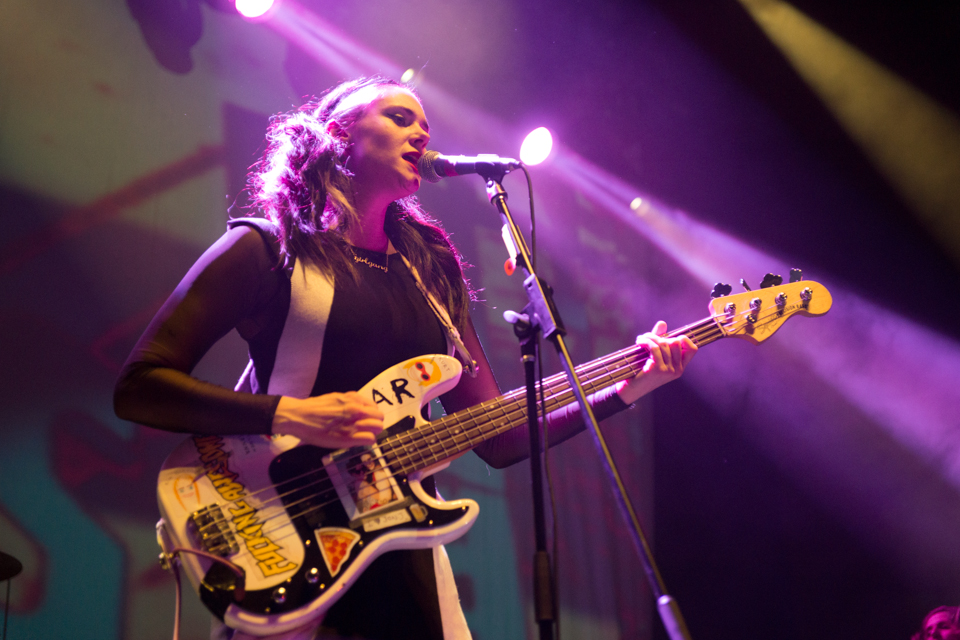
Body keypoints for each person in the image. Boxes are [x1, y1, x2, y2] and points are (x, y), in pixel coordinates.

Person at [113, 76, 697, 640]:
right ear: (337, 136)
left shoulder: (431, 274)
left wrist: (630, 387)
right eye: (399, 117)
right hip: (282, 537)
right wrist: (291, 414)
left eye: (426, 123)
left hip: (401, 554)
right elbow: (140, 385)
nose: (421, 133)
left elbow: (496, 436)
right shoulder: (266, 248)